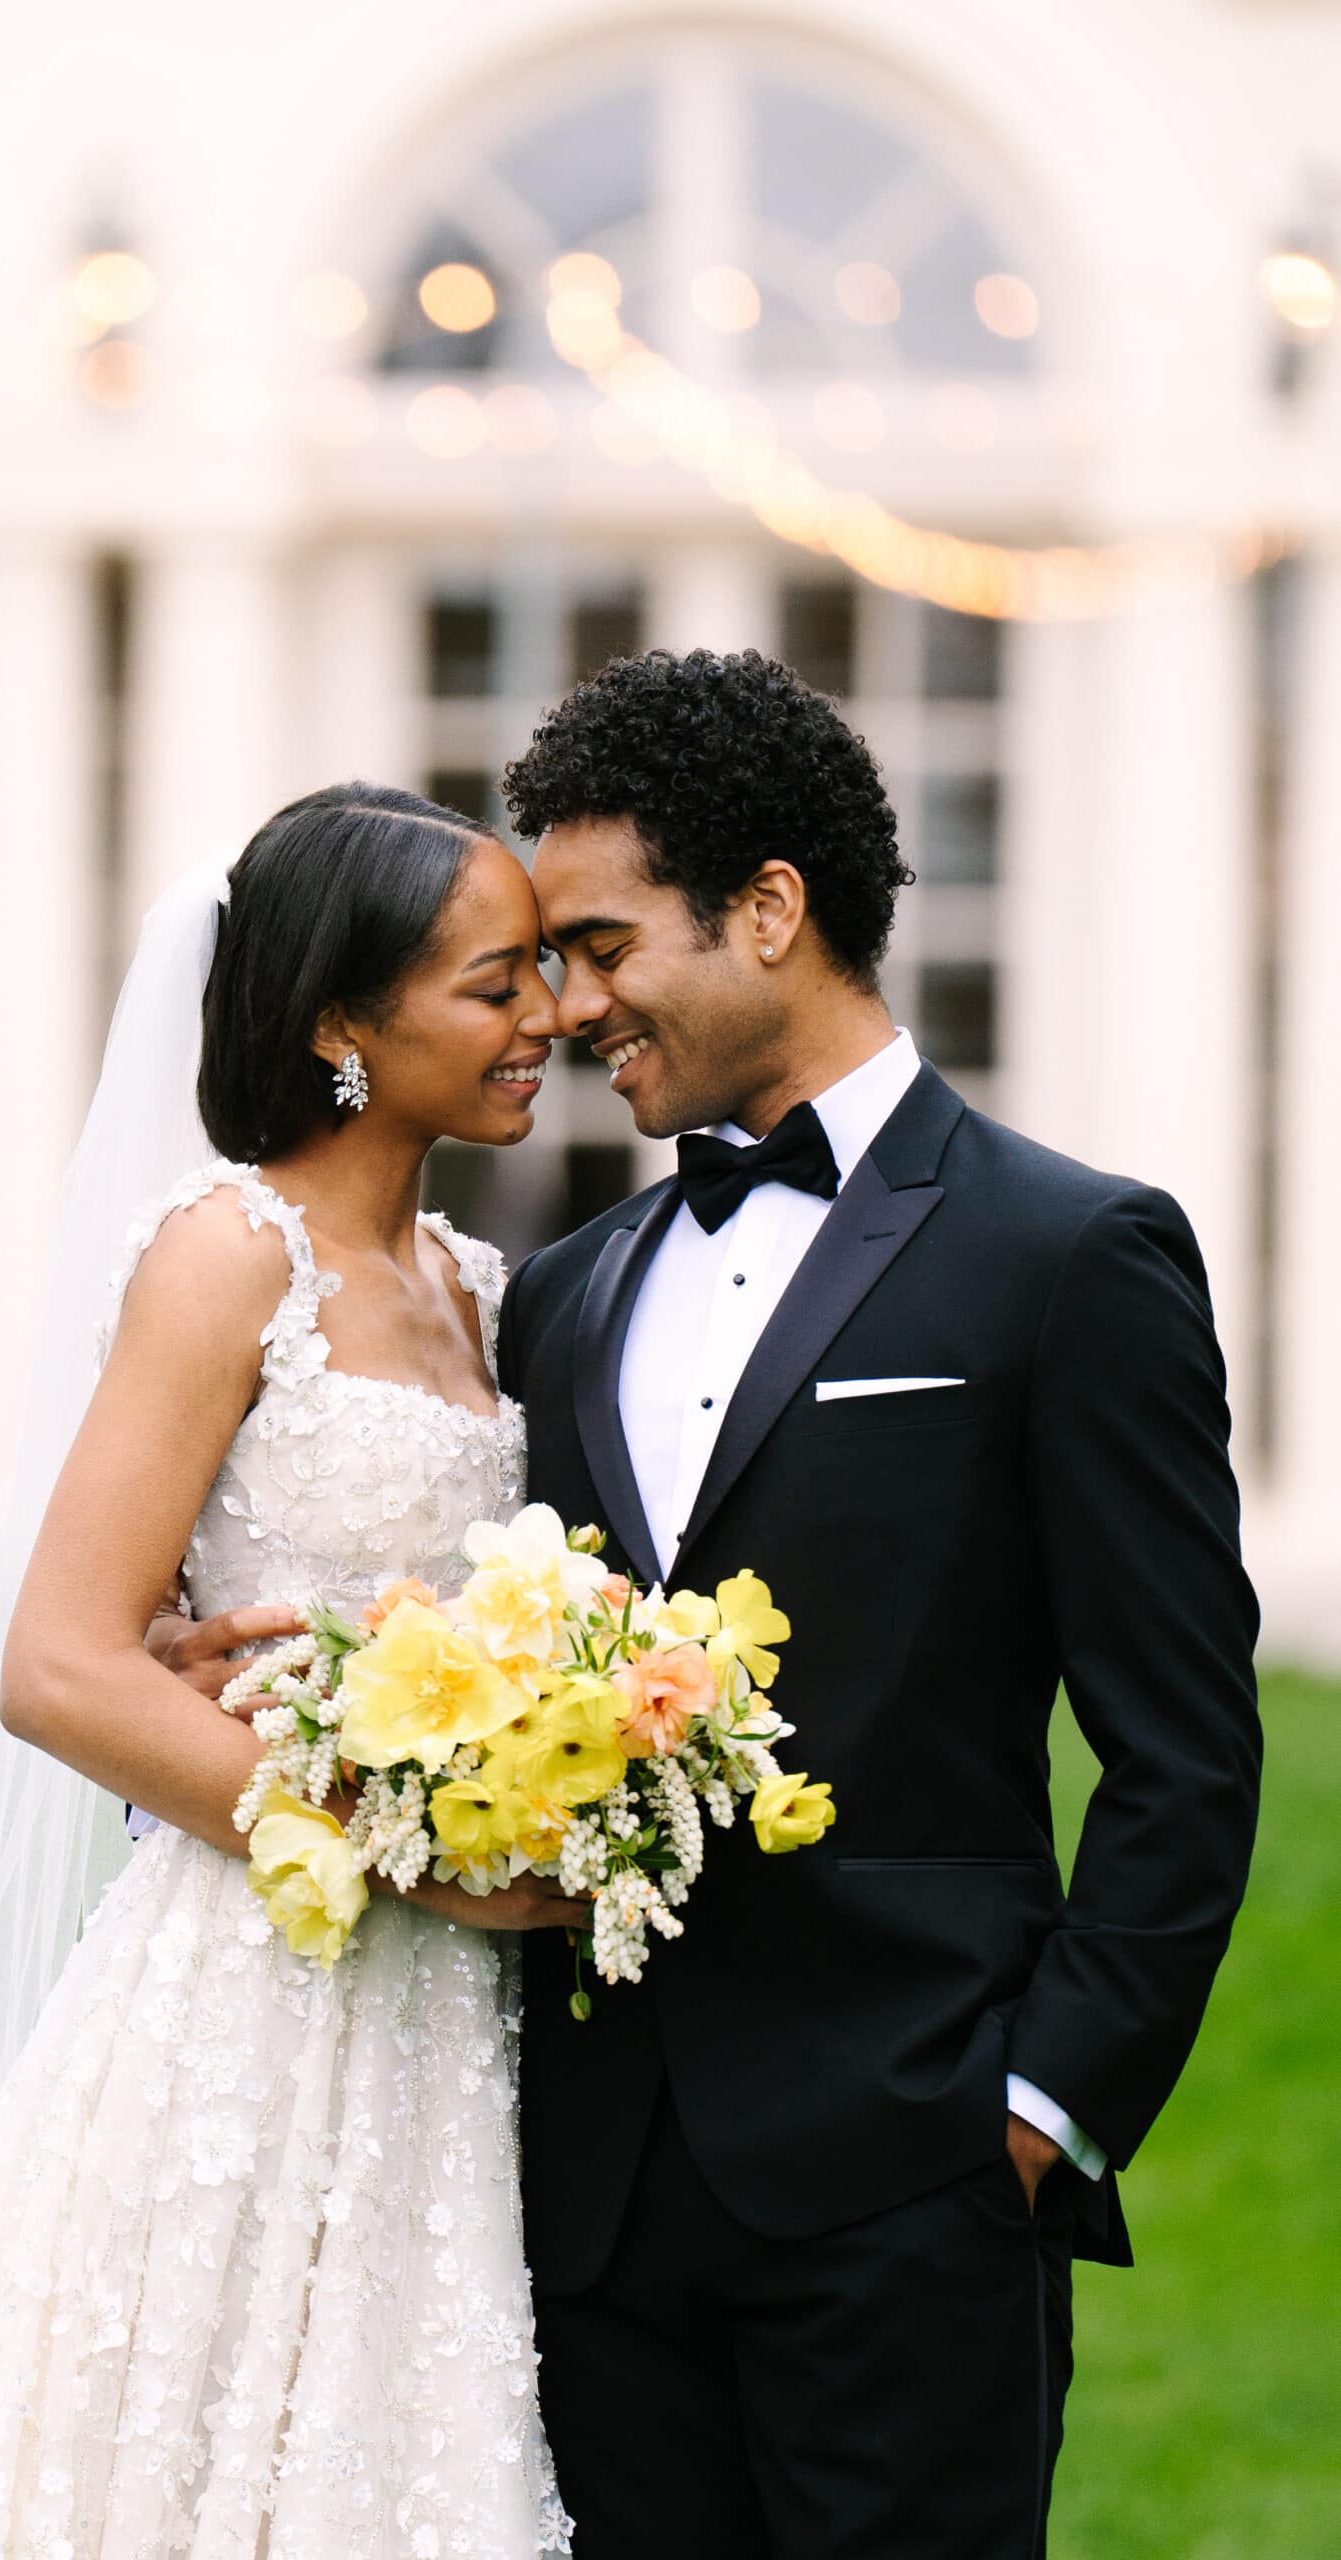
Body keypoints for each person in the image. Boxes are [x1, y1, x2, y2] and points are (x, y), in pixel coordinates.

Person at [0, 783, 577, 2560]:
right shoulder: (224, 1253)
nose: (548, 1017)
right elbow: (61, 1669)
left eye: (547, 972)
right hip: (255, 1976)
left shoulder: (476, 1283)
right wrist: (412, 1835)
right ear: (346, 1026)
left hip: (442, 2026)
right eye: (498, 986)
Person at [493, 648, 1263, 2557]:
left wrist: (1037, 2114)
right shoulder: (564, 1291)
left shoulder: (1068, 1253)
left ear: (772, 911)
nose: (568, 1005)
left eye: (600, 945)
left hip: (915, 2181)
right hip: (579, 2198)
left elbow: (1183, 1748)